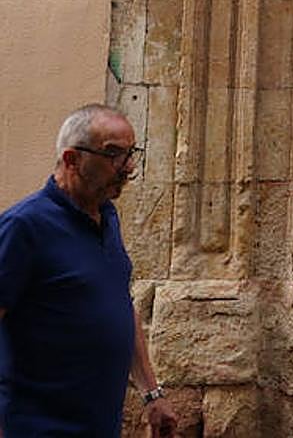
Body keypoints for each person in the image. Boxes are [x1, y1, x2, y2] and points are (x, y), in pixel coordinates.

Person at [0, 104, 178, 437]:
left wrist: (151, 394)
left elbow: (119, 305)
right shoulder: (24, 226)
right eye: (113, 155)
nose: (128, 168)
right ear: (72, 159)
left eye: (130, 154)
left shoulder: (107, 217)